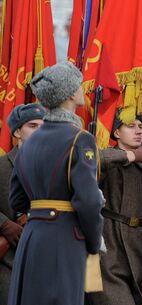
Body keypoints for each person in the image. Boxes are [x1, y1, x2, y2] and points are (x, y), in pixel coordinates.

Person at [8, 62, 104, 305]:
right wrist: (94, 242)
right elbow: (89, 202)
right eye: (79, 85)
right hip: (65, 239)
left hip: (32, 238)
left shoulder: (27, 144)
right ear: (71, 93)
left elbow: (16, 200)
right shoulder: (80, 139)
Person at [91, 112, 142, 305]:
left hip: (141, 252)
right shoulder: (107, 158)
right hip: (107, 250)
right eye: (131, 126)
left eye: (141, 127)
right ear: (117, 132)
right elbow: (92, 161)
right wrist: (132, 156)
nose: (138, 131)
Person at [0, 104, 46, 303]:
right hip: (10, 260)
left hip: (48, 262)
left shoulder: (57, 165)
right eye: (33, 126)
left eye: (44, 126)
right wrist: (3, 223)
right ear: (17, 131)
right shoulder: (1, 165)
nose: (40, 131)